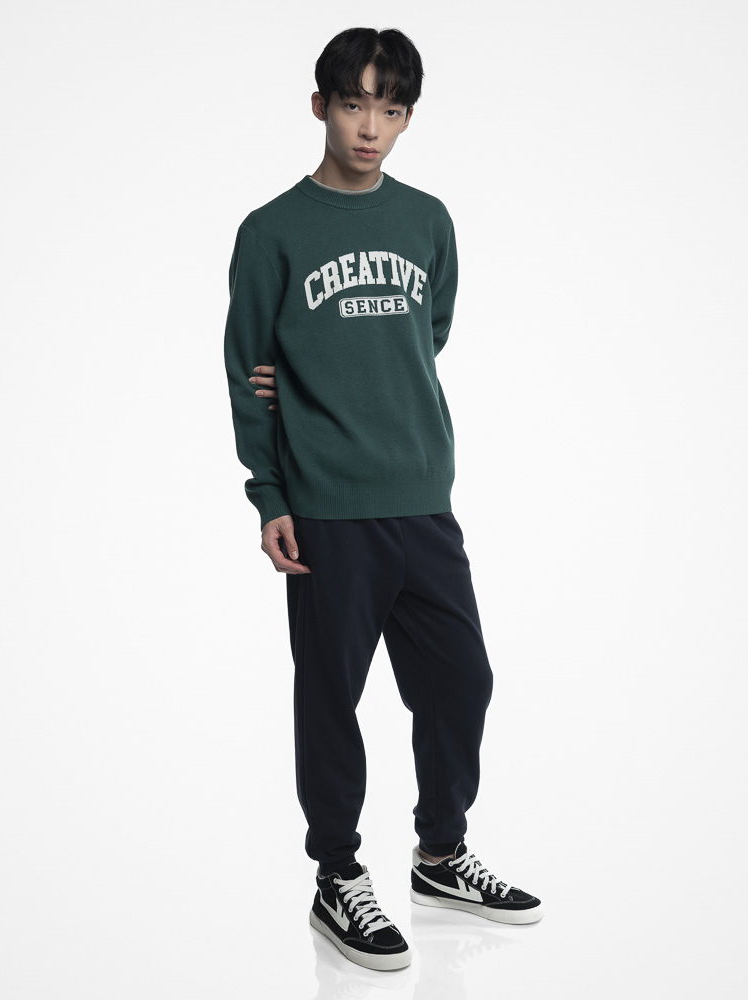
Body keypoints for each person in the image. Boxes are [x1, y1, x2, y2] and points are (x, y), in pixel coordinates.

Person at [223, 26, 543, 972]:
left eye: (391, 109)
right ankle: (337, 875)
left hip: (422, 499)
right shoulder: (272, 232)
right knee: (332, 697)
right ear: (320, 106)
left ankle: (441, 856)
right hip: (325, 509)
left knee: (462, 680)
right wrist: (269, 491)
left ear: (407, 119)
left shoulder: (428, 220)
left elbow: (425, 333)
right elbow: (249, 372)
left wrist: (350, 375)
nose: (371, 127)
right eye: (355, 103)